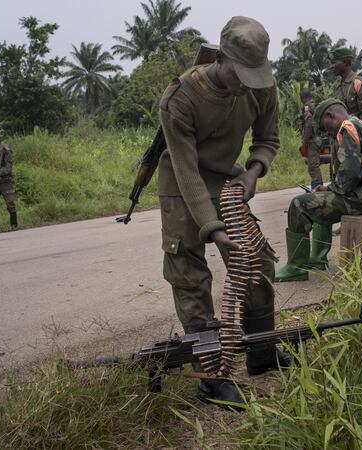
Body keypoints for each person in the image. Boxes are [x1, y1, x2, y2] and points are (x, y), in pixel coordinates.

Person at [157, 16, 289, 407]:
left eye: (254, 74)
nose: (246, 82)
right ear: (221, 57)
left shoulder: (261, 86)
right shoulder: (179, 98)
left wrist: (253, 172)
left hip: (229, 181)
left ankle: (262, 355)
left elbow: (268, 138)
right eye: (239, 73)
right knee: (189, 274)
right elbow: (186, 171)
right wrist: (214, 230)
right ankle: (212, 377)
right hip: (183, 184)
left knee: (257, 262)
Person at [274, 99, 362, 282]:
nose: (329, 134)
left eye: (326, 128)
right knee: (322, 198)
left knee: (299, 204)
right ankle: (317, 259)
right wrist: (329, 190)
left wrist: (331, 188)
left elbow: (350, 172)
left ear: (330, 116)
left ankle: (296, 268)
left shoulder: (347, 128)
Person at [330, 47, 362, 125]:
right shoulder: (337, 87)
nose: (331, 66)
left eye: (334, 62)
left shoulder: (359, 83)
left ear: (345, 62)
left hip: (358, 134)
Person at [298, 88, 324, 189]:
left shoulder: (308, 107)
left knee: (313, 167)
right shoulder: (313, 106)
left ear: (301, 98)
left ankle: (318, 189)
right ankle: (317, 187)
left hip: (312, 141)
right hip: (314, 140)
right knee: (313, 166)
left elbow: (309, 126)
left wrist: (304, 144)